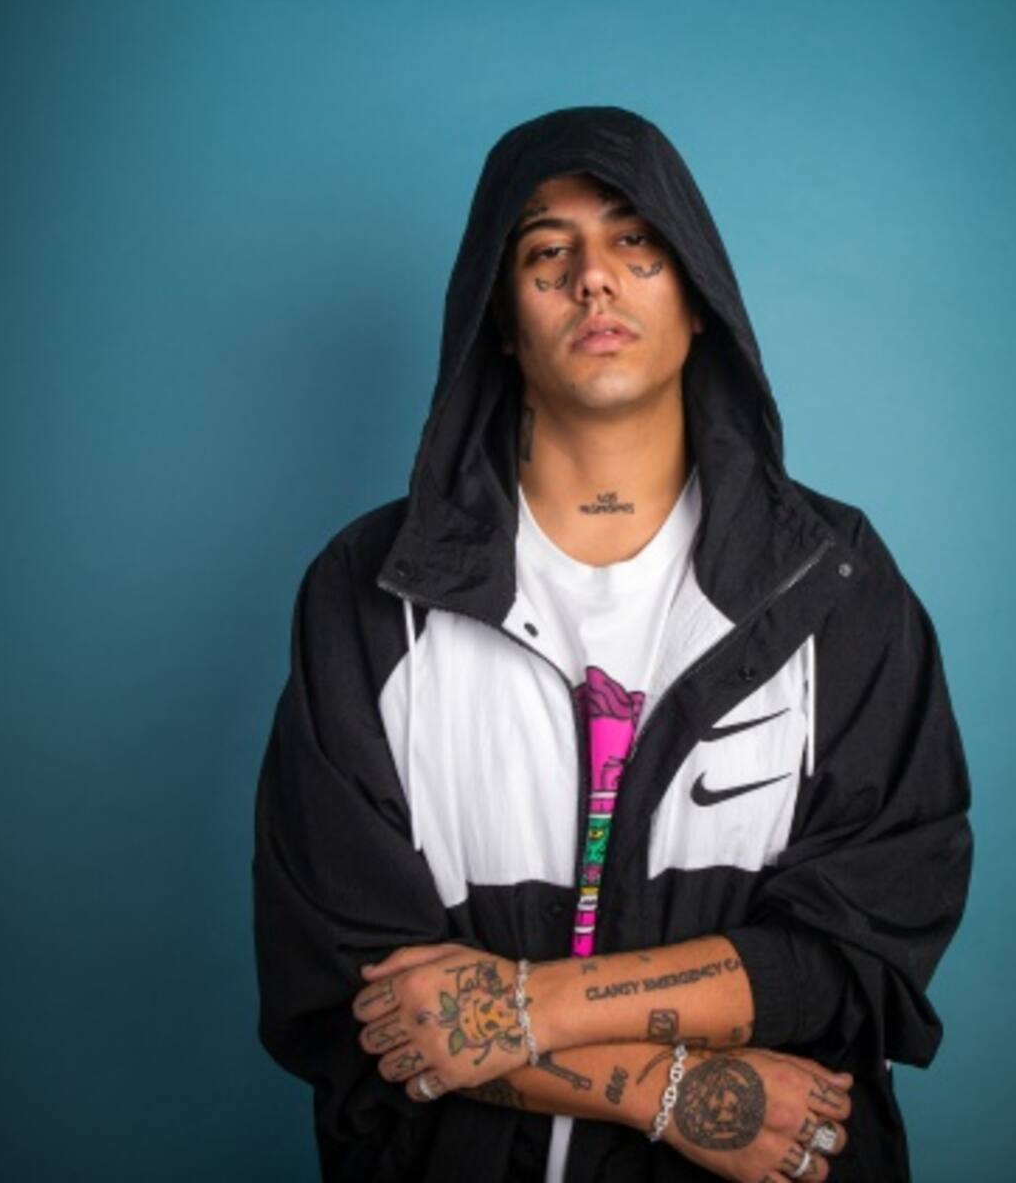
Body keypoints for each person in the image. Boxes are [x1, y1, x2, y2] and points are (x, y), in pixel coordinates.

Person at [253, 106, 973, 1183]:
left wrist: (529, 1005)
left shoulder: (834, 583)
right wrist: (671, 1095)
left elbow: (867, 945)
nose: (594, 277)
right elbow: (355, 996)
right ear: (500, 318)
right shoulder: (369, 596)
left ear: (698, 298)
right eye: (547, 253)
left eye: (636, 242)